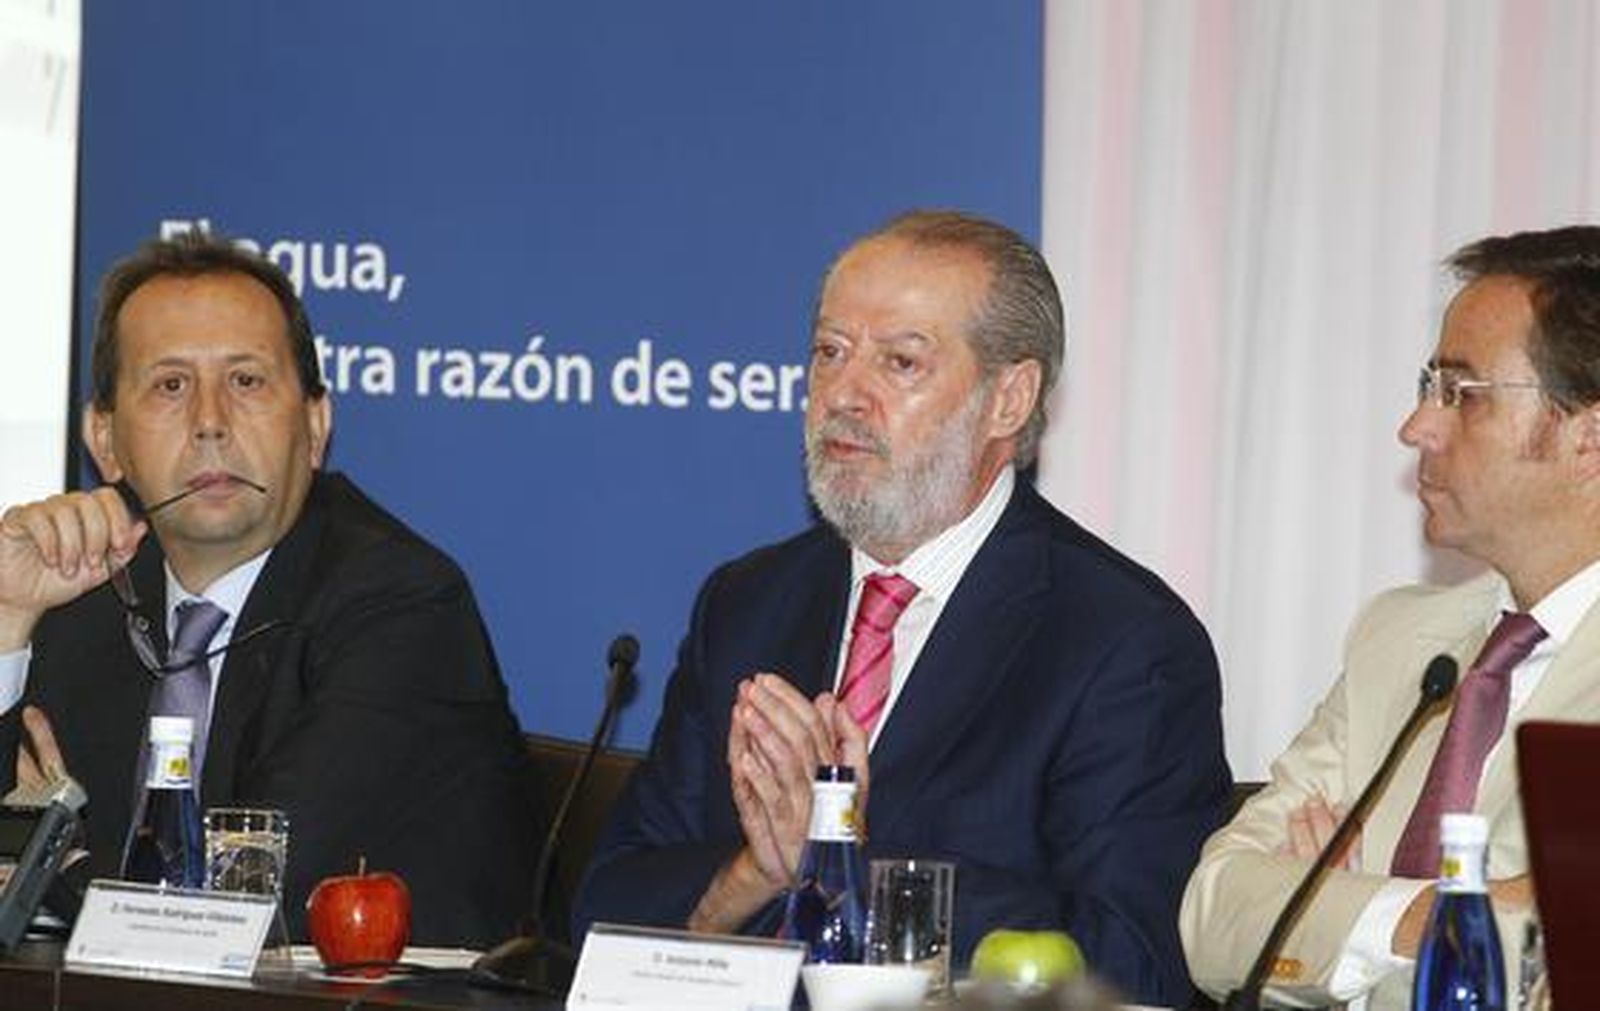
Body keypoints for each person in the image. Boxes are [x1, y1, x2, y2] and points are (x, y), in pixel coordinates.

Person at [576, 210, 1230, 1006]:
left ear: (1009, 399)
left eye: (900, 362)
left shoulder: (1122, 643)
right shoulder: (748, 603)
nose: (844, 394)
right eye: (829, 352)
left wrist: (845, 859)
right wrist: (754, 871)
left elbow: (1132, 961)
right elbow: (602, 907)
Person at [0, 232, 536, 946]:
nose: (211, 422)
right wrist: (7, 624)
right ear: (105, 441)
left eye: (246, 380)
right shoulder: (78, 595)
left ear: (315, 426)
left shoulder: (403, 603)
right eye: (170, 385)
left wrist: (53, 862)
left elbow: (235, 908)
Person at [1181, 225, 1600, 1008]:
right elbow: (1214, 911)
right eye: (1426, 386)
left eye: (1459, 393)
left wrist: (1337, 907)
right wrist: (1430, 912)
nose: (1417, 427)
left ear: (1590, 436)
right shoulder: (1402, 642)